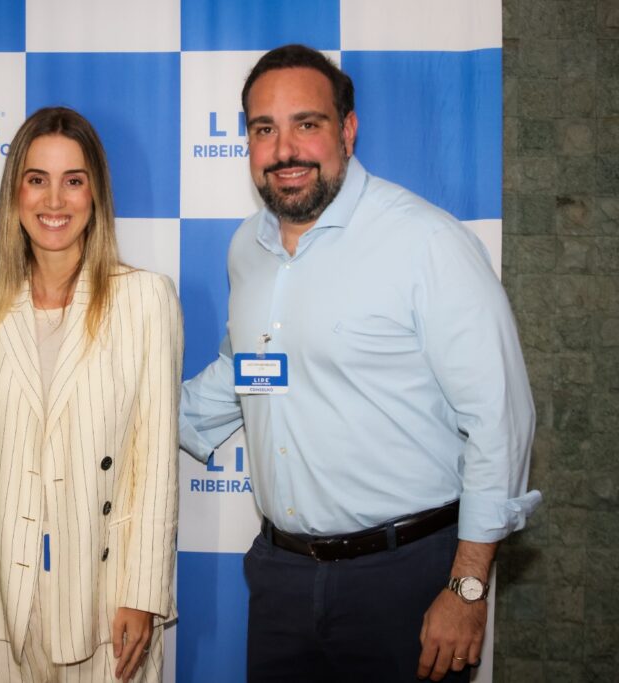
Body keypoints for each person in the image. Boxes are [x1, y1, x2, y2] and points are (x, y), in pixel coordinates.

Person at [179, 44, 541, 682]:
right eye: (265, 129)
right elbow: (245, 370)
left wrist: (466, 591)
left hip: (406, 580)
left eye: (306, 124)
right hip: (281, 577)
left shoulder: (426, 243)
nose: (284, 148)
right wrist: (121, 411)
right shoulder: (248, 248)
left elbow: (499, 419)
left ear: (347, 130)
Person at [0, 106, 182, 683]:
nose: (54, 201)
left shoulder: (145, 299)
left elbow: (155, 463)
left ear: (96, 195)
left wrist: (142, 593)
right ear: (15, 193)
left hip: (107, 595)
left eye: (74, 181)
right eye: (37, 179)